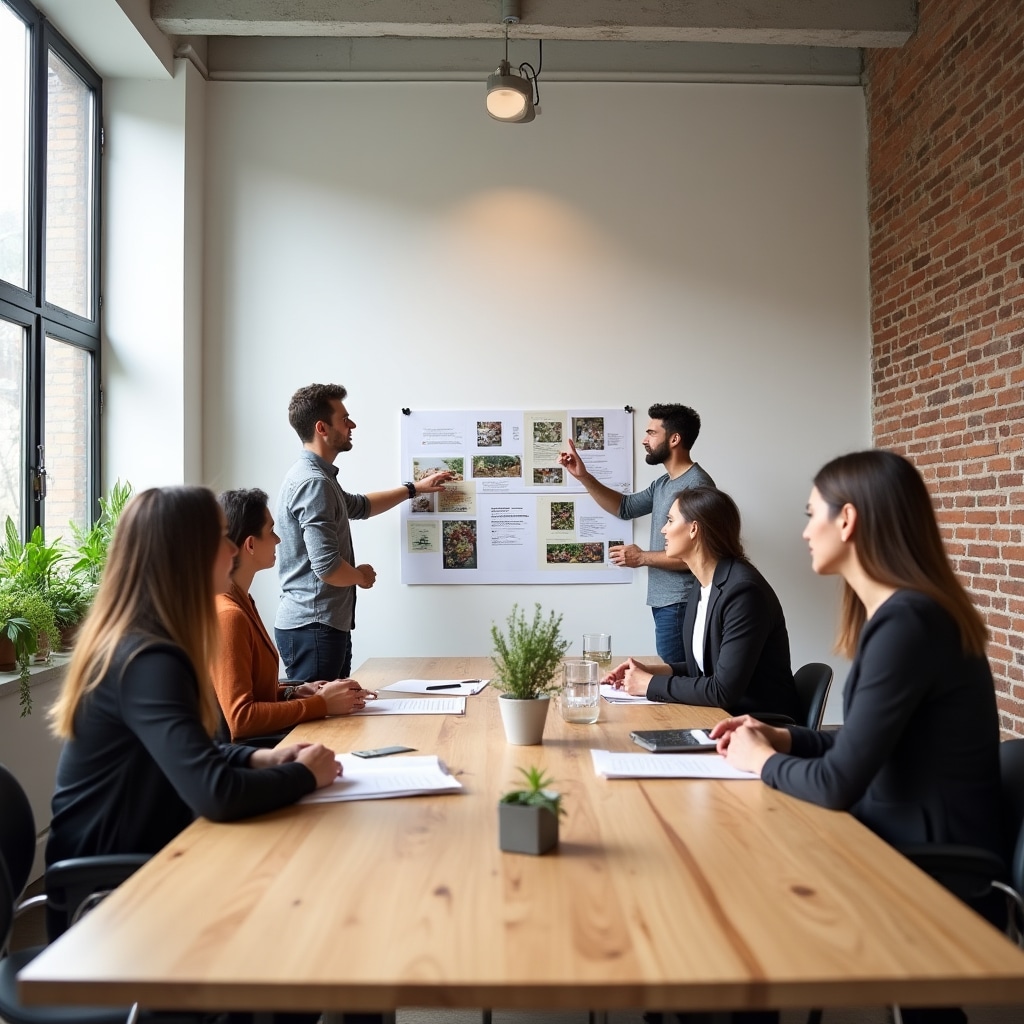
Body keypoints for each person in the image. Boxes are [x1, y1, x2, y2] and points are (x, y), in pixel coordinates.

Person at [711, 450, 1002, 1024]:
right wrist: (783, 739)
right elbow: (862, 747)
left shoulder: (909, 624)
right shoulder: (903, 616)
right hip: (904, 829)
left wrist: (760, 760)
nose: (804, 530)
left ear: (847, 521)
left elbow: (841, 782)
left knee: (737, 897)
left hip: (925, 856)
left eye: (811, 513)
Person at [46, 486, 340, 881]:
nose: (234, 550)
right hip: (113, 890)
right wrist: (305, 775)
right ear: (187, 554)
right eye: (220, 538)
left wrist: (261, 758)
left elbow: (201, 752)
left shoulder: (151, 641)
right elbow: (215, 794)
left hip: (155, 852)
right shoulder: (146, 659)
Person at [274, 383, 452, 682]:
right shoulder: (313, 483)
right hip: (314, 627)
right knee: (317, 727)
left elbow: (360, 506)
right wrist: (361, 576)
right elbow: (327, 567)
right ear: (322, 428)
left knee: (331, 720)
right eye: (344, 418)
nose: (352, 424)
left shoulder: (318, 479)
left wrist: (414, 489)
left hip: (321, 625)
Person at [604, 486, 800, 720]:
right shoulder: (703, 584)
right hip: (722, 718)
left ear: (694, 529)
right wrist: (650, 672)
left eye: (670, 520)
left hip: (759, 725)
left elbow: (722, 690)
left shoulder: (744, 592)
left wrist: (649, 685)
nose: (663, 530)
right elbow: (705, 667)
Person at [212, 488, 374, 743]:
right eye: (271, 531)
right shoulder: (229, 615)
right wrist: (321, 704)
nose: (278, 540)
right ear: (250, 545)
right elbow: (241, 720)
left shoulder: (242, 601)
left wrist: (297, 692)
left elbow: (255, 692)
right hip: (255, 758)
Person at [558, 403, 714, 663]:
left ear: (674, 439)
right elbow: (624, 507)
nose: (644, 440)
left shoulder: (698, 486)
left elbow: (699, 555)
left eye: (652, 433)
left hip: (681, 603)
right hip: (666, 603)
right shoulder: (664, 483)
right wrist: (583, 477)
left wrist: (642, 558)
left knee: (677, 680)